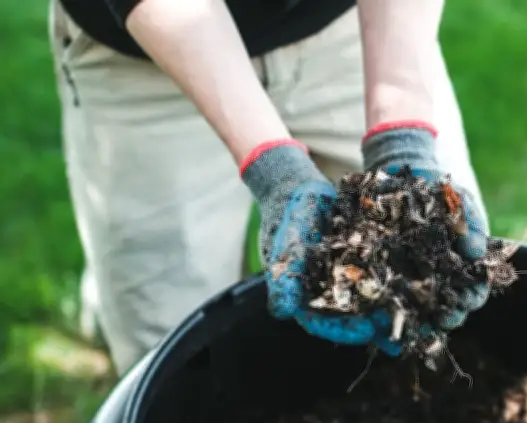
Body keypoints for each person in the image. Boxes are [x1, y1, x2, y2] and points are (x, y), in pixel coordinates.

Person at [49, 0, 490, 375]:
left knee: (430, 283)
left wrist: (402, 132)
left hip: (352, 31)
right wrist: (274, 168)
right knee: (167, 333)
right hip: (145, 58)